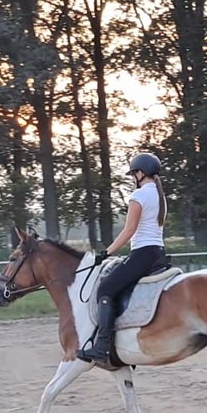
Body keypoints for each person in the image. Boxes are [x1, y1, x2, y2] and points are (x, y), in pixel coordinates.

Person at [77, 152, 168, 365]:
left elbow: (128, 231)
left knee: (106, 289)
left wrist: (106, 253)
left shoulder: (139, 196)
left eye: (134, 173)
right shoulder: (159, 195)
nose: (133, 177)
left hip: (143, 254)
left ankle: (101, 348)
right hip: (158, 252)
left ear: (141, 172)